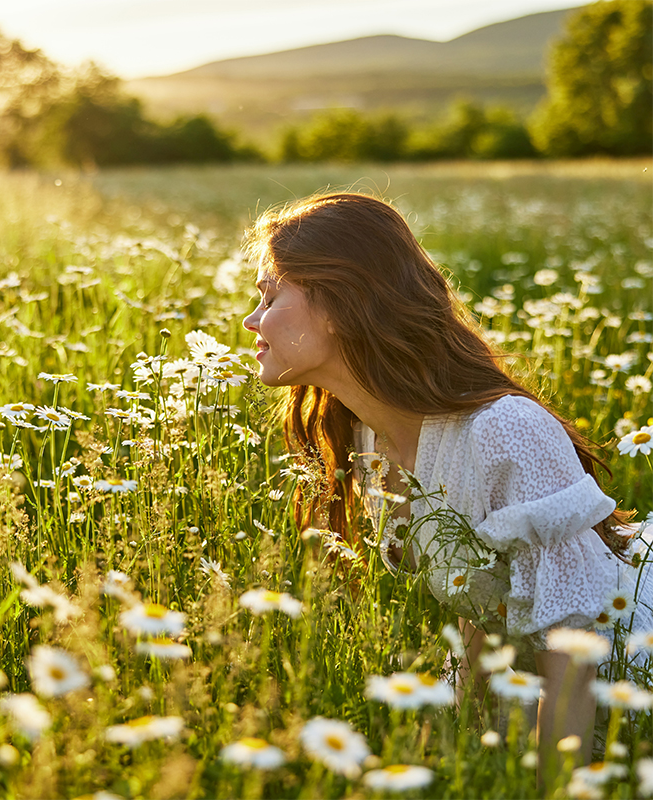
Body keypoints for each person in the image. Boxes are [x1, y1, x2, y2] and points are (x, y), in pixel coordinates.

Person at [241, 191, 652, 766]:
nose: (251, 320)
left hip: (631, 657)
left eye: (270, 295)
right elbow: (480, 590)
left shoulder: (505, 431)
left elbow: (574, 653)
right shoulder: (366, 439)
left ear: (339, 303)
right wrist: (457, 740)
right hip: (545, 684)